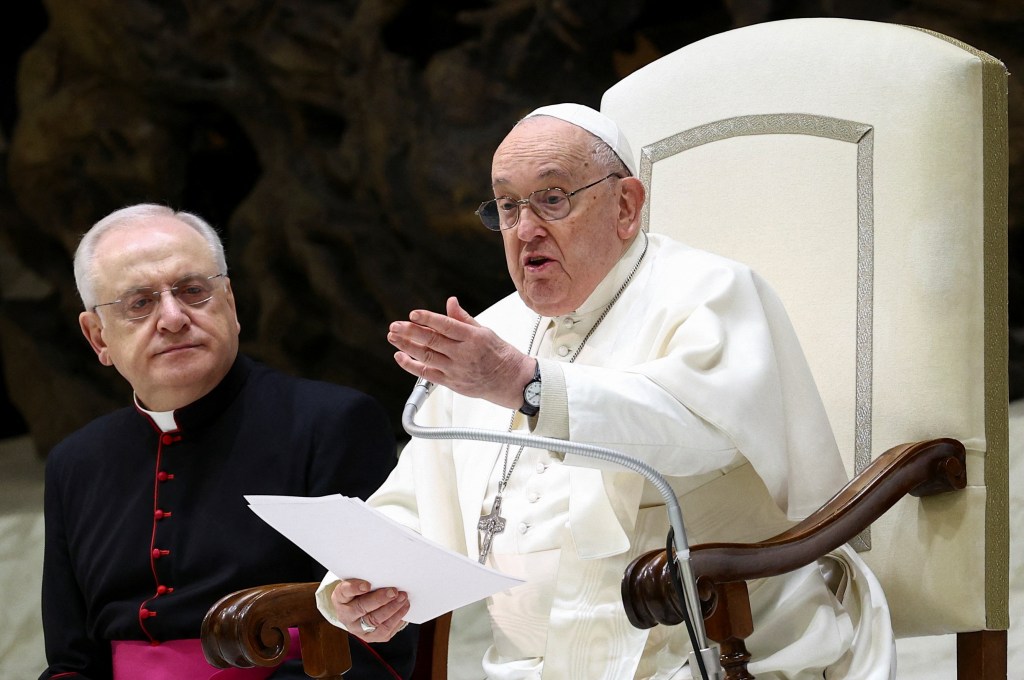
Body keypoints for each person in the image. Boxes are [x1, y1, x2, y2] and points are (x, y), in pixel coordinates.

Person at [314, 105, 896, 679]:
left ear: (626, 206)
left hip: (708, 652)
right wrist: (360, 583)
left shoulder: (710, 293)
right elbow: (417, 496)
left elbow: (703, 435)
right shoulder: (494, 334)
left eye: (552, 198)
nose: (526, 229)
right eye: (509, 206)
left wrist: (527, 385)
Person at [40, 204, 419, 679]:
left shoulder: (332, 424)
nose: (173, 318)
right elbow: (71, 661)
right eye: (140, 304)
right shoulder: (75, 463)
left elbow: (379, 645)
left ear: (231, 303)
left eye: (194, 291)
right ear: (98, 337)